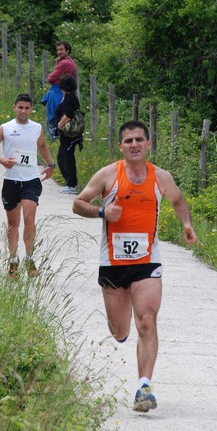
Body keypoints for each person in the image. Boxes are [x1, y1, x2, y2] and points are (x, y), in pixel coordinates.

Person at [72, 120, 197, 413]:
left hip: (147, 261)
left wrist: (187, 225)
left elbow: (178, 200)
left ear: (149, 143)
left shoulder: (161, 177)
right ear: (120, 146)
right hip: (113, 262)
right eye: (128, 141)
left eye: (139, 139)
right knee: (120, 331)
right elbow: (78, 204)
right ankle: (120, 328)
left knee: (147, 320)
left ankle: (144, 387)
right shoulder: (108, 175)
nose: (134, 145)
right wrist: (102, 211)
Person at [0, 93, 56, 278]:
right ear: (14, 107)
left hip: (31, 180)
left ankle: (30, 258)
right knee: (13, 224)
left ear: (31, 109)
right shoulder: (5, 128)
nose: (23, 111)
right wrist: (2, 160)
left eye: (27, 108)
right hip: (11, 181)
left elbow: (42, 145)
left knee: (29, 218)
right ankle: (13, 259)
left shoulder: (37, 127)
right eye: (20, 107)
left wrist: (51, 165)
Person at [41, 40, 77, 138]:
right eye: (58, 50)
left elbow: (51, 78)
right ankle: (57, 135)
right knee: (60, 114)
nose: (59, 52)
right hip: (65, 90)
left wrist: (50, 78)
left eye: (61, 49)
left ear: (68, 50)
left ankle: (52, 136)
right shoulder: (70, 62)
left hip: (57, 90)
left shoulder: (64, 63)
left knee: (53, 115)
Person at [56, 74, 83, 194]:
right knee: (64, 157)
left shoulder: (67, 97)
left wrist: (60, 125)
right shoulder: (73, 96)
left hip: (68, 135)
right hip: (74, 135)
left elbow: (69, 113)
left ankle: (72, 184)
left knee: (66, 158)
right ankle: (71, 183)